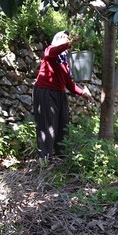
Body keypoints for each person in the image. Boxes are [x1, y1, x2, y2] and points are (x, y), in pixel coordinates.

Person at [33, 31, 93, 162]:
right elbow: (53, 52)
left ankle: (62, 156)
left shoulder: (64, 60)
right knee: (47, 124)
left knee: (62, 124)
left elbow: (69, 83)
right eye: (65, 38)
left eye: (68, 39)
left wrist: (83, 93)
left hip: (59, 93)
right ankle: (45, 159)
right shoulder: (50, 51)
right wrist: (71, 44)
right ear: (58, 40)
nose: (67, 40)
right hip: (45, 91)